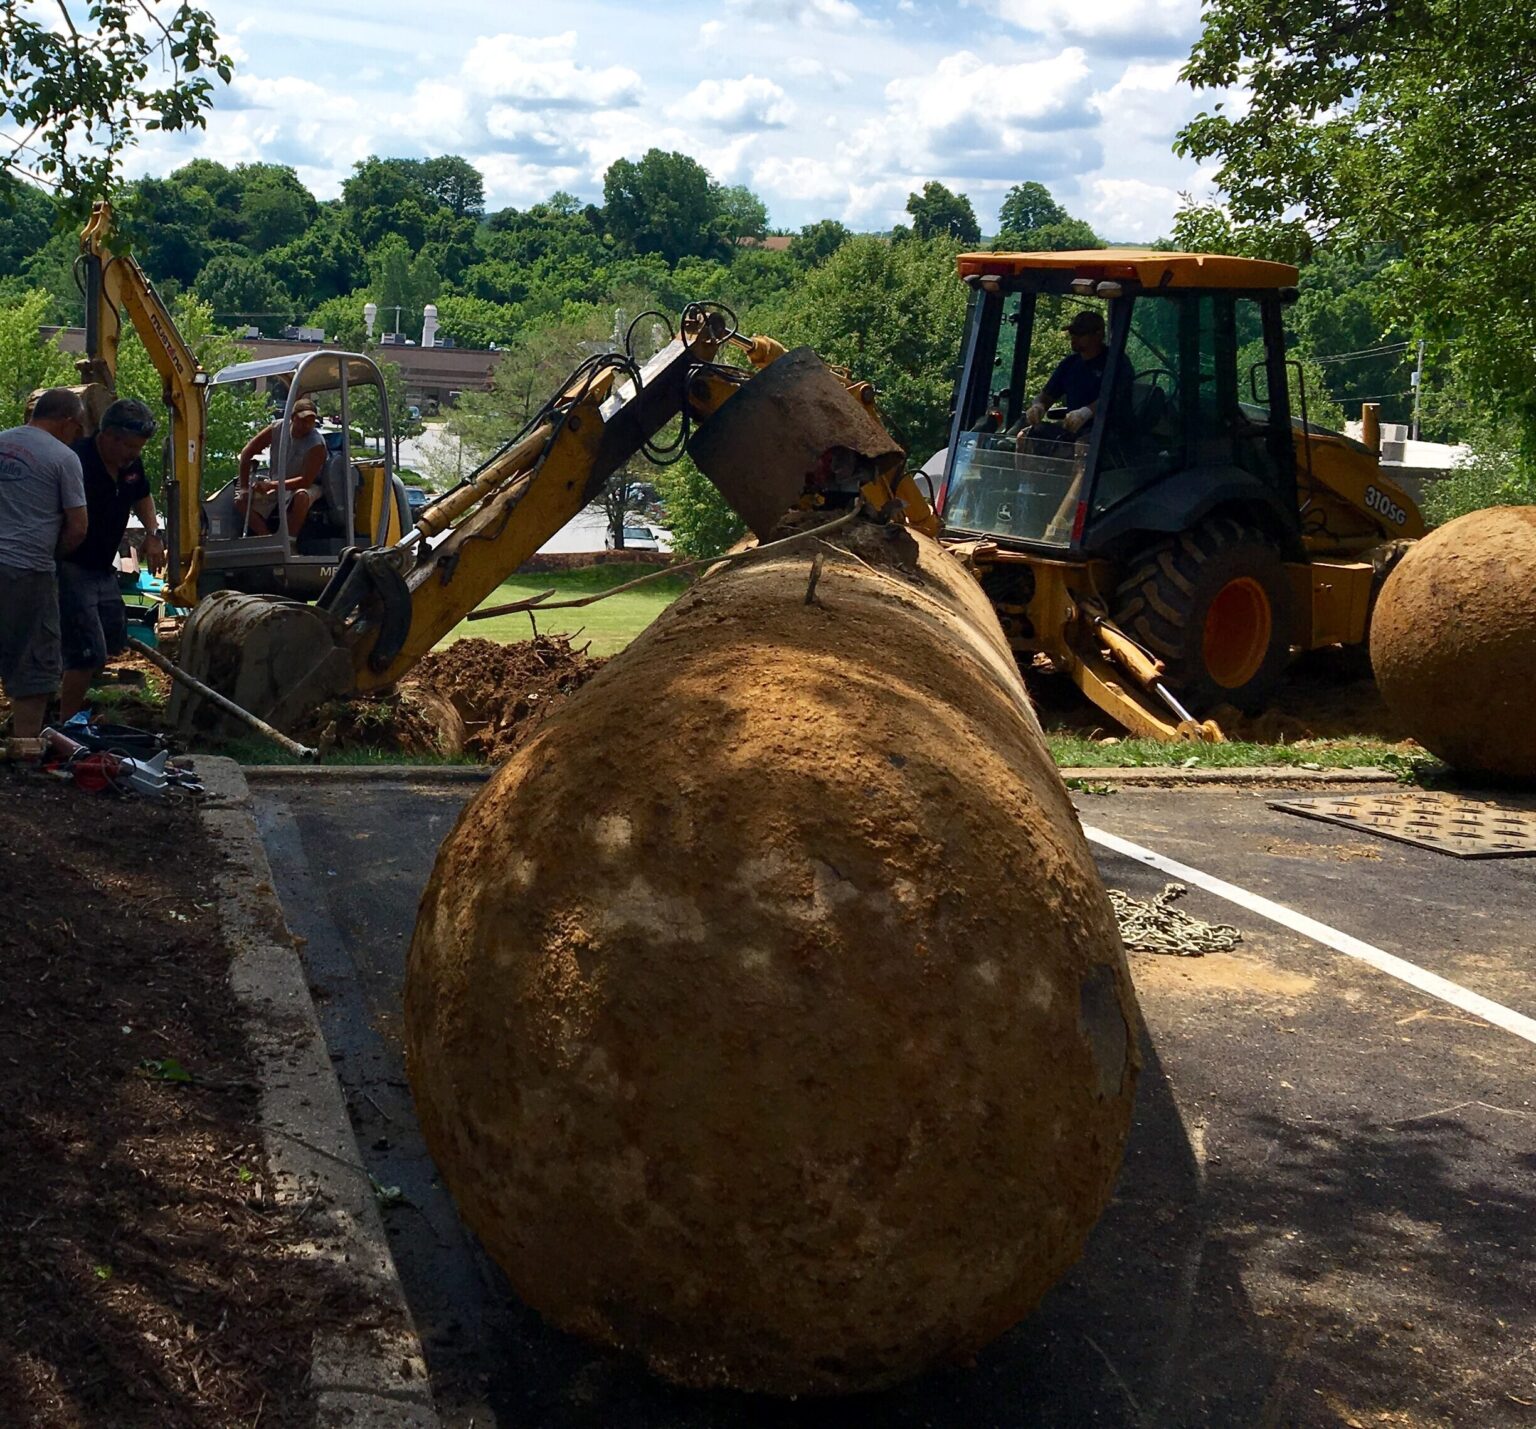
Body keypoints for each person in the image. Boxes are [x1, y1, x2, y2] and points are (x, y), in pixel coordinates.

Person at [58, 398, 165, 722]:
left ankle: (68, 693)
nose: (135, 454)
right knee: (86, 650)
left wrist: (153, 533)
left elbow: (142, 496)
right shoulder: (78, 460)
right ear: (109, 436)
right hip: (71, 563)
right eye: (130, 446)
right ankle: (67, 721)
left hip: (103, 567)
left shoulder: (131, 465)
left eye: (140, 447)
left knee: (113, 632)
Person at [0, 389, 89, 738]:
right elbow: (78, 526)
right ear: (67, 423)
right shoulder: (63, 458)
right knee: (34, 659)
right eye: (78, 427)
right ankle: (24, 746)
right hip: (28, 569)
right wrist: (53, 555)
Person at [234, 397, 327, 537]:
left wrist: (271, 486)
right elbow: (247, 452)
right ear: (292, 417)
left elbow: (306, 481)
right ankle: (266, 539)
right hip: (277, 483)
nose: (306, 425)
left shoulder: (316, 444)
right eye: (302, 420)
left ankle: (289, 541)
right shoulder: (277, 428)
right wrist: (244, 488)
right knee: (241, 501)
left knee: (301, 496)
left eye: (311, 421)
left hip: (307, 486)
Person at [1016, 308, 1110, 446]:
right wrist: (1038, 406)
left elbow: (1114, 398)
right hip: (1072, 429)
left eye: (1080, 334)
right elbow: (1047, 395)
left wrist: (1086, 413)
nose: (1074, 338)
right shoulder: (1070, 364)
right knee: (1025, 437)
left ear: (1098, 334)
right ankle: (1022, 467)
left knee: (1083, 446)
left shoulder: (1115, 363)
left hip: (1107, 431)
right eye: (1072, 333)